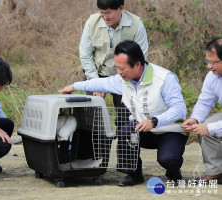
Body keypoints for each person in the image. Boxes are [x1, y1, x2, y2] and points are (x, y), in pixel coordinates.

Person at [59, 40, 188, 186]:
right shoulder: (123, 80)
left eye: (122, 68)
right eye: (117, 68)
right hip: (143, 128)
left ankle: (173, 172)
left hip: (169, 130)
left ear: (138, 64)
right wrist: (74, 86)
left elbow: (179, 109)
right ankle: (134, 173)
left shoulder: (164, 79)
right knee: (124, 132)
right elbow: (101, 83)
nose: (119, 72)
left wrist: (154, 121)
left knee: (167, 159)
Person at [79, 0, 148, 111]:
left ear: (121, 8)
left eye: (108, 13)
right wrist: (96, 83)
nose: (105, 17)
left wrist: (129, 86)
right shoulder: (92, 23)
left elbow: (140, 59)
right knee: (92, 114)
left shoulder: (136, 25)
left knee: (126, 113)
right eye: (102, 12)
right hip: (97, 73)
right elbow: (85, 55)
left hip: (125, 75)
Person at [182, 38, 222, 184]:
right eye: (207, 61)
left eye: (213, 62)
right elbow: (205, 101)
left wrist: (210, 128)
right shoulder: (212, 76)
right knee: (204, 125)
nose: (209, 66)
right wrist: (196, 119)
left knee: (210, 127)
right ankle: (216, 172)